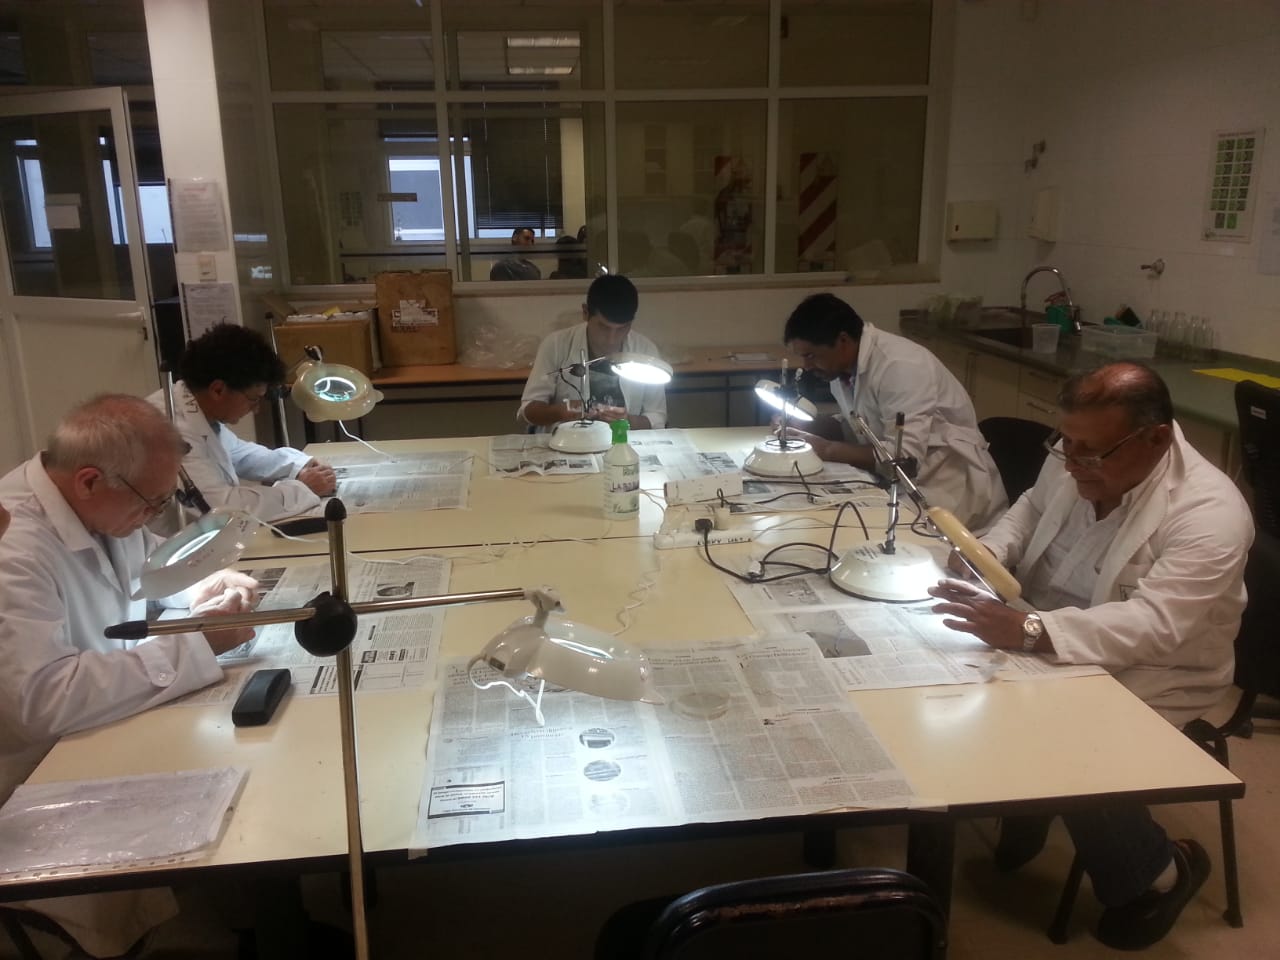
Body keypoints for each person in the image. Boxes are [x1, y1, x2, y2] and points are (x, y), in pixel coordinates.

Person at [927, 361, 1253, 950]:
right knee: (941, 682)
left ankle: (1160, 871)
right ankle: (1027, 803)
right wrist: (988, 553)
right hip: (1044, 623)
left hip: (1160, 667)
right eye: (1065, 443)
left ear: (1155, 438)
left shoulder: (1210, 513)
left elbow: (1156, 625)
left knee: (1070, 741)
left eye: (1090, 453)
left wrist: (1031, 631)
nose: (1072, 463)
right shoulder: (1077, 453)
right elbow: (1030, 508)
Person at [0, 394, 257, 957]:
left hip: (102, 729)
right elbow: (40, 702)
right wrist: (196, 647)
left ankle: (254, 919)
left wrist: (204, 584)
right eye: (152, 501)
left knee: (245, 766)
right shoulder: (14, 548)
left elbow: (147, 565)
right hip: (35, 774)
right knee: (233, 786)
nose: (155, 514)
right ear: (90, 480)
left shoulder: (95, 506)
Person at [779, 293, 1006, 531]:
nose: (806, 366)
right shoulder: (842, 370)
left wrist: (827, 449)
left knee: (852, 531)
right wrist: (810, 427)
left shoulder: (900, 366)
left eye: (811, 356)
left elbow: (903, 460)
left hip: (951, 495)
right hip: (910, 488)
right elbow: (863, 427)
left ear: (843, 341)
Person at [149, 323, 336, 527]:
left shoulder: (193, 403)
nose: (256, 409)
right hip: (179, 538)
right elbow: (222, 508)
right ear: (218, 390)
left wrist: (299, 464)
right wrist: (302, 489)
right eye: (253, 399)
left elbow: (239, 453)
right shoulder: (171, 429)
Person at [519, 274, 667, 431]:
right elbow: (528, 411)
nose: (612, 339)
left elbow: (657, 416)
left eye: (622, 329)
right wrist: (561, 411)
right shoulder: (556, 345)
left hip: (623, 441)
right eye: (604, 327)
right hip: (569, 440)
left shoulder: (645, 350)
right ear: (585, 312)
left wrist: (628, 421)